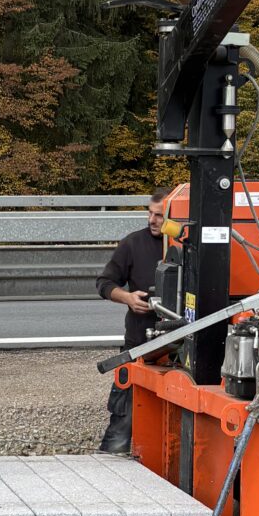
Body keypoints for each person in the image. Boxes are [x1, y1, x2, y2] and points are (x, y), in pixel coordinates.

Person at [95, 193, 168, 454]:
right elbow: (104, 283)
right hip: (138, 347)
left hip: (183, 354)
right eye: (149, 213)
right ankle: (109, 471)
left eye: (159, 214)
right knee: (122, 422)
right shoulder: (133, 244)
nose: (152, 219)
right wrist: (127, 297)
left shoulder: (194, 247)